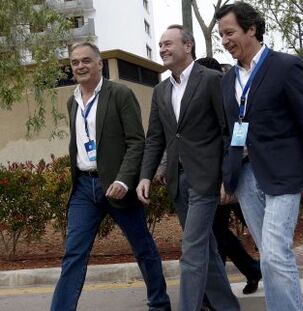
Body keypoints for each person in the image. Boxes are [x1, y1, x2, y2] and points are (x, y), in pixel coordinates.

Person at [215, 2, 303, 310]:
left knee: (274, 255)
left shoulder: (286, 66)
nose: (225, 40)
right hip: (246, 177)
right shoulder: (226, 81)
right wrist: (227, 176)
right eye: (220, 34)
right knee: (270, 255)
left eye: (230, 32)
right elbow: (232, 133)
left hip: (284, 171)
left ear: (251, 29)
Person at [50, 42, 171, 311]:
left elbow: (136, 141)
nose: (80, 66)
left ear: (99, 63)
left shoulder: (120, 94)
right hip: (84, 187)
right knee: (74, 254)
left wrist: (123, 179)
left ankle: (160, 304)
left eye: (86, 61)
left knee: (143, 248)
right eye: (75, 63)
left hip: (118, 186)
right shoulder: (73, 100)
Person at [136, 26, 240, 311]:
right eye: (159, 45)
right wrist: (146, 175)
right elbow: (155, 138)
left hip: (206, 180)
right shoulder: (160, 90)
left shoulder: (213, 80)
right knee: (205, 248)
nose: (162, 49)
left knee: (192, 251)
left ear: (188, 46)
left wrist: (228, 177)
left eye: (168, 43)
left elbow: (228, 131)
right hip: (177, 182)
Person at [196, 56, 262, 295]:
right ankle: (242, 275)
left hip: (237, 176)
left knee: (262, 233)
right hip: (215, 180)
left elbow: (235, 140)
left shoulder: (229, 100)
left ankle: (266, 271)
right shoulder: (201, 103)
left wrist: (229, 177)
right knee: (218, 233)